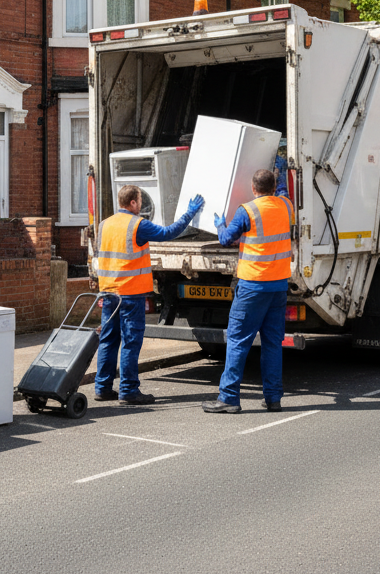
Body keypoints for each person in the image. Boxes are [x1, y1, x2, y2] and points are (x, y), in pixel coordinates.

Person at [93, 185, 204, 405]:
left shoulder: (104, 224)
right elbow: (169, 233)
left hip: (108, 292)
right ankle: (128, 391)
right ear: (133, 203)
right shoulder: (137, 225)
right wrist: (190, 213)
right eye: (140, 199)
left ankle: (102, 388)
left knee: (108, 340)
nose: (142, 203)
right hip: (130, 294)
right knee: (131, 342)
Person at [202, 169, 293, 414]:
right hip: (278, 287)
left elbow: (226, 239)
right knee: (273, 343)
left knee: (238, 341)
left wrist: (220, 224)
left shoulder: (247, 211)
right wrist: (280, 172)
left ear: (253, 189)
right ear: (274, 188)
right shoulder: (286, 206)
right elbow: (283, 192)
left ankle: (229, 398)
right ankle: (273, 399)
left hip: (253, 286)